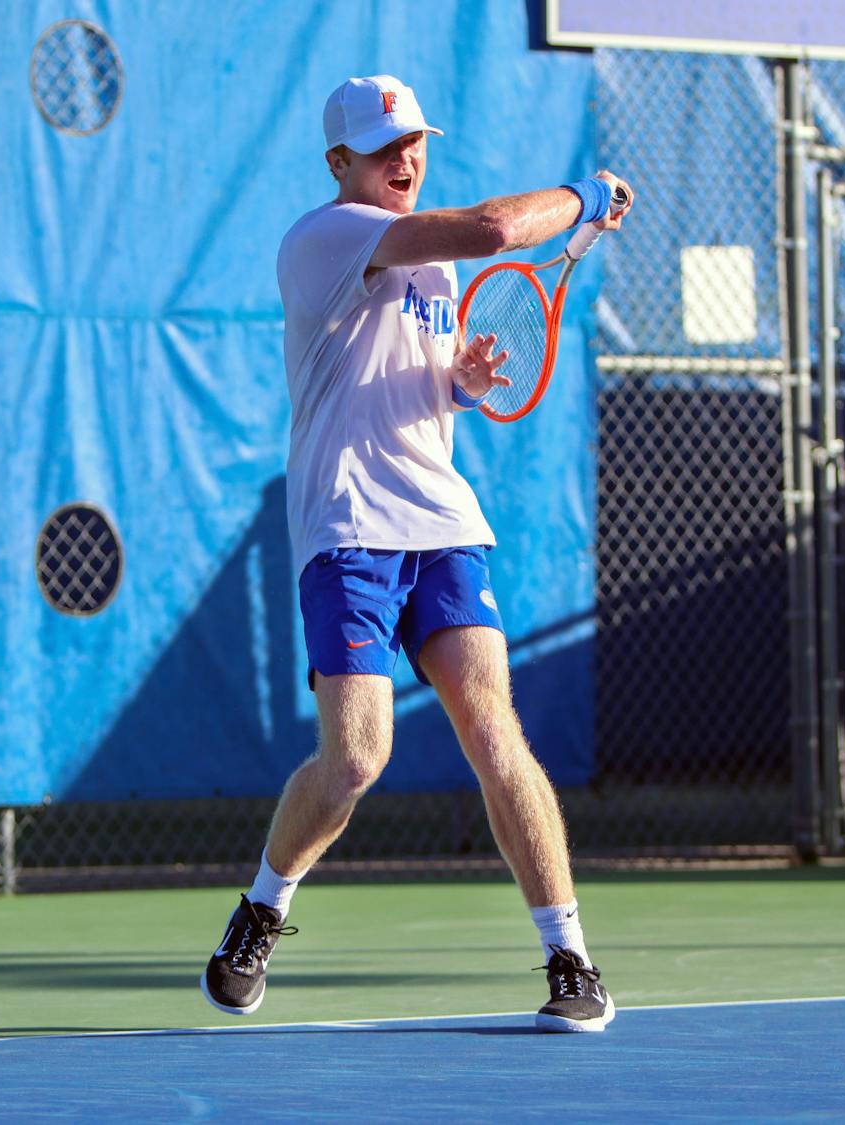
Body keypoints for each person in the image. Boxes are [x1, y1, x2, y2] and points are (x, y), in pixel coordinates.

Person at [200, 74, 630, 1033]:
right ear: (338, 162)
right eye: (382, 147)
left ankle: (570, 957)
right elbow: (491, 229)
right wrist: (585, 198)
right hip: (348, 528)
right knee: (356, 758)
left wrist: (462, 384)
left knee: (494, 730)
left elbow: (421, 391)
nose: (405, 159)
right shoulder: (325, 237)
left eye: (414, 142)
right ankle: (262, 907)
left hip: (442, 524)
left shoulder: (428, 272)